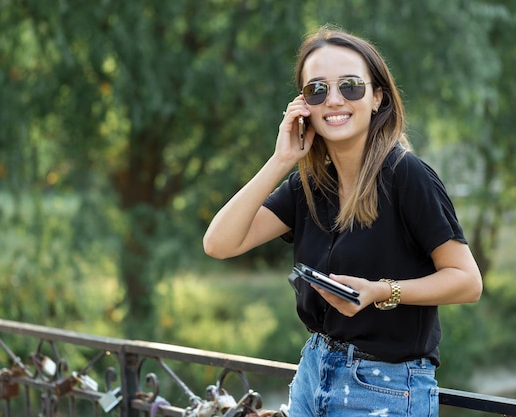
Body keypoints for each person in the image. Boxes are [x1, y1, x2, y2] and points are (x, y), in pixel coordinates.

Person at [203, 25, 482, 417]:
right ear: (303, 106)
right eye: (317, 90)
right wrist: (282, 159)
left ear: (377, 97)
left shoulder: (407, 176)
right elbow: (219, 243)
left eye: (350, 86)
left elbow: (468, 281)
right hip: (314, 372)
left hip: (383, 389)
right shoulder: (309, 185)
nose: (334, 100)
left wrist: (378, 291)